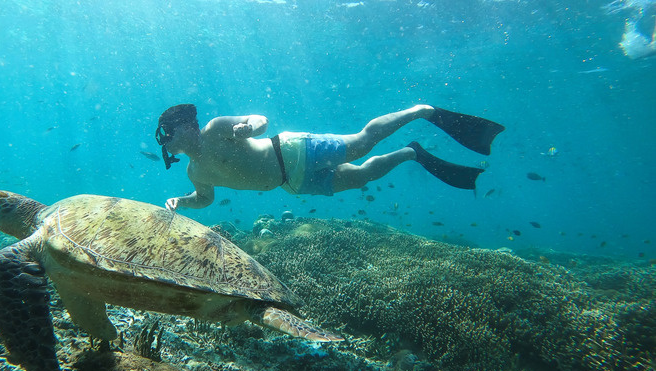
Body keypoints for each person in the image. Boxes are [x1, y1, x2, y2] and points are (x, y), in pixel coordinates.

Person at [156, 103, 504, 210]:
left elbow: (259, 118)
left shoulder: (217, 129)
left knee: (361, 144)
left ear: (186, 127)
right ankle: (411, 152)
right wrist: (181, 202)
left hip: (292, 149)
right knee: (362, 177)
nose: (165, 142)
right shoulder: (194, 172)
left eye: (167, 132)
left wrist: (250, 129)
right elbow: (204, 199)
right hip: (291, 183)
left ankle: (421, 111)